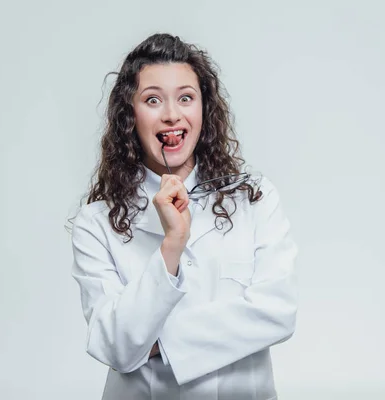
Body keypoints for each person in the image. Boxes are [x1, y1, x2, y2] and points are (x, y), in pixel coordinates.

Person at [70, 32, 298, 399]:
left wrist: (155, 342)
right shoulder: (96, 224)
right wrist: (172, 245)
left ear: (203, 110)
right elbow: (115, 348)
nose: (172, 114)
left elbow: (278, 312)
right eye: (153, 99)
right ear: (130, 115)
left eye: (186, 98)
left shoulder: (255, 198)